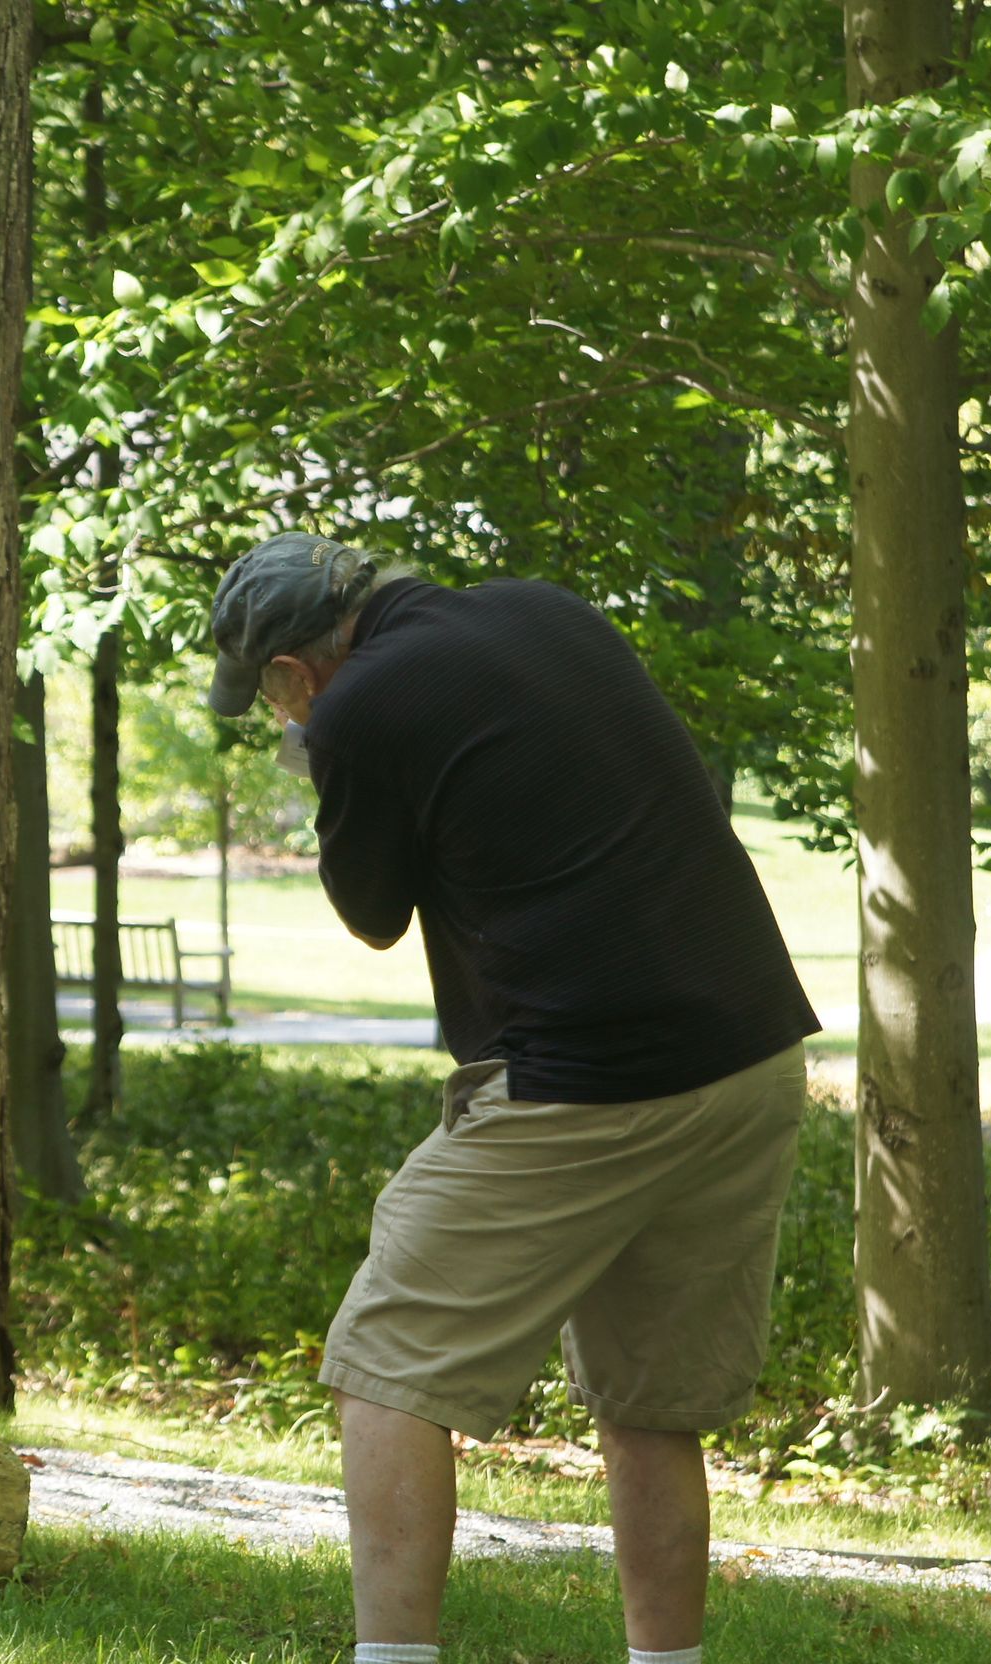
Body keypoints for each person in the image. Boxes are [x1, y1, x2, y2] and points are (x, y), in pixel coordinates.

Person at [205, 533, 819, 1664]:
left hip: (587, 1077)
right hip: (750, 1049)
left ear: (292, 673)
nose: (282, 715)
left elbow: (371, 910)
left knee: (386, 1358)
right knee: (650, 1400)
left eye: (274, 698)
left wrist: (319, 754)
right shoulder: (548, 609)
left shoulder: (352, 713)